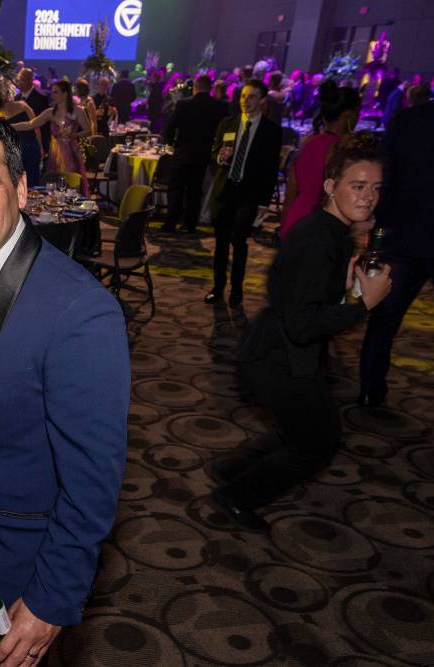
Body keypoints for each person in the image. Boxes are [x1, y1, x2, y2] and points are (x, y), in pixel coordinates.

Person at [0, 110, 129, 666]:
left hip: (17, 566)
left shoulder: (82, 312)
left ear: (20, 188)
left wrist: (51, 597)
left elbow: (93, 481)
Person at [210, 133, 392, 531]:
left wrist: (347, 289)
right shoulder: (317, 239)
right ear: (330, 187)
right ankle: (234, 495)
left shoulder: (331, 232)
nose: (368, 197)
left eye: (375, 188)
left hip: (282, 351)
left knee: (303, 432)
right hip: (281, 357)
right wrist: (363, 304)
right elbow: (304, 323)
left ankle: (230, 470)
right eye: (357, 186)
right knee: (316, 443)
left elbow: (305, 303)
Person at [358, 92, 434, 407]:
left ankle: (369, 391)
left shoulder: (409, 119)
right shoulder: (409, 119)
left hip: (401, 235)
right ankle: (370, 389)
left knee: (383, 320)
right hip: (403, 236)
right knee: (383, 318)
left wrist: (378, 229)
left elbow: (383, 178)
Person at [205, 79, 282, 306]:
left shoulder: (272, 131)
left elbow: (270, 170)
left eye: (251, 97)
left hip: (248, 194)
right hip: (224, 190)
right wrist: (220, 157)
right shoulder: (227, 124)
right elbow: (213, 155)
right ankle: (217, 288)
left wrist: (264, 203)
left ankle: (236, 290)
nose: (245, 101)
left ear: (262, 101)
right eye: (243, 96)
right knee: (220, 244)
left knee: (239, 243)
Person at [279, 81, 361, 238]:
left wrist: (284, 226)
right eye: (359, 111)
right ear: (348, 115)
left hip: (295, 218)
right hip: (319, 226)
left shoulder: (307, 142)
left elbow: (291, 191)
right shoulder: (342, 148)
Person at [161, 74, 229, 233]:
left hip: (183, 151)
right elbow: (223, 131)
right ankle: (190, 224)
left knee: (176, 188)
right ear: (210, 88)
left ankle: (171, 222)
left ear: (195, 87)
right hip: (203, 154)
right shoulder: (219, 107)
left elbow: (170, 128)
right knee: (195, 189)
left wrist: (171, 144)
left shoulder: (184, 104)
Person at [11, 80, 90, 194]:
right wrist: (9, 125)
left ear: (65, 94)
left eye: (56, 92)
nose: (53, 95)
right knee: (53, 184)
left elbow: (88, 130)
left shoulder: (78, 111)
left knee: (71, 184)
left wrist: (74, 135)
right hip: (55, 153)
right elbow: (30, 124)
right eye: (52, 92)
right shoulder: (50, 112)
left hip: (71, 152)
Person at [0, 82, 42, 187]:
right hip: (22, 148)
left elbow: (35, 126)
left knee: (21, 182)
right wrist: (40, 147)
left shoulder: (21, 105)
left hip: (22, 148)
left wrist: (40, 147)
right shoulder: (21, 105)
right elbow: (36, 127)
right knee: (28, 181)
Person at [14, 68, 50, 160]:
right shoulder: (16, 98)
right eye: (19, 80)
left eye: (23, 79)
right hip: (19, 143)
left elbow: (44, 125)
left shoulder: (41, 98)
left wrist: (43, 146)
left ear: (30, 80)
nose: (20, 83)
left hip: (34, 143)